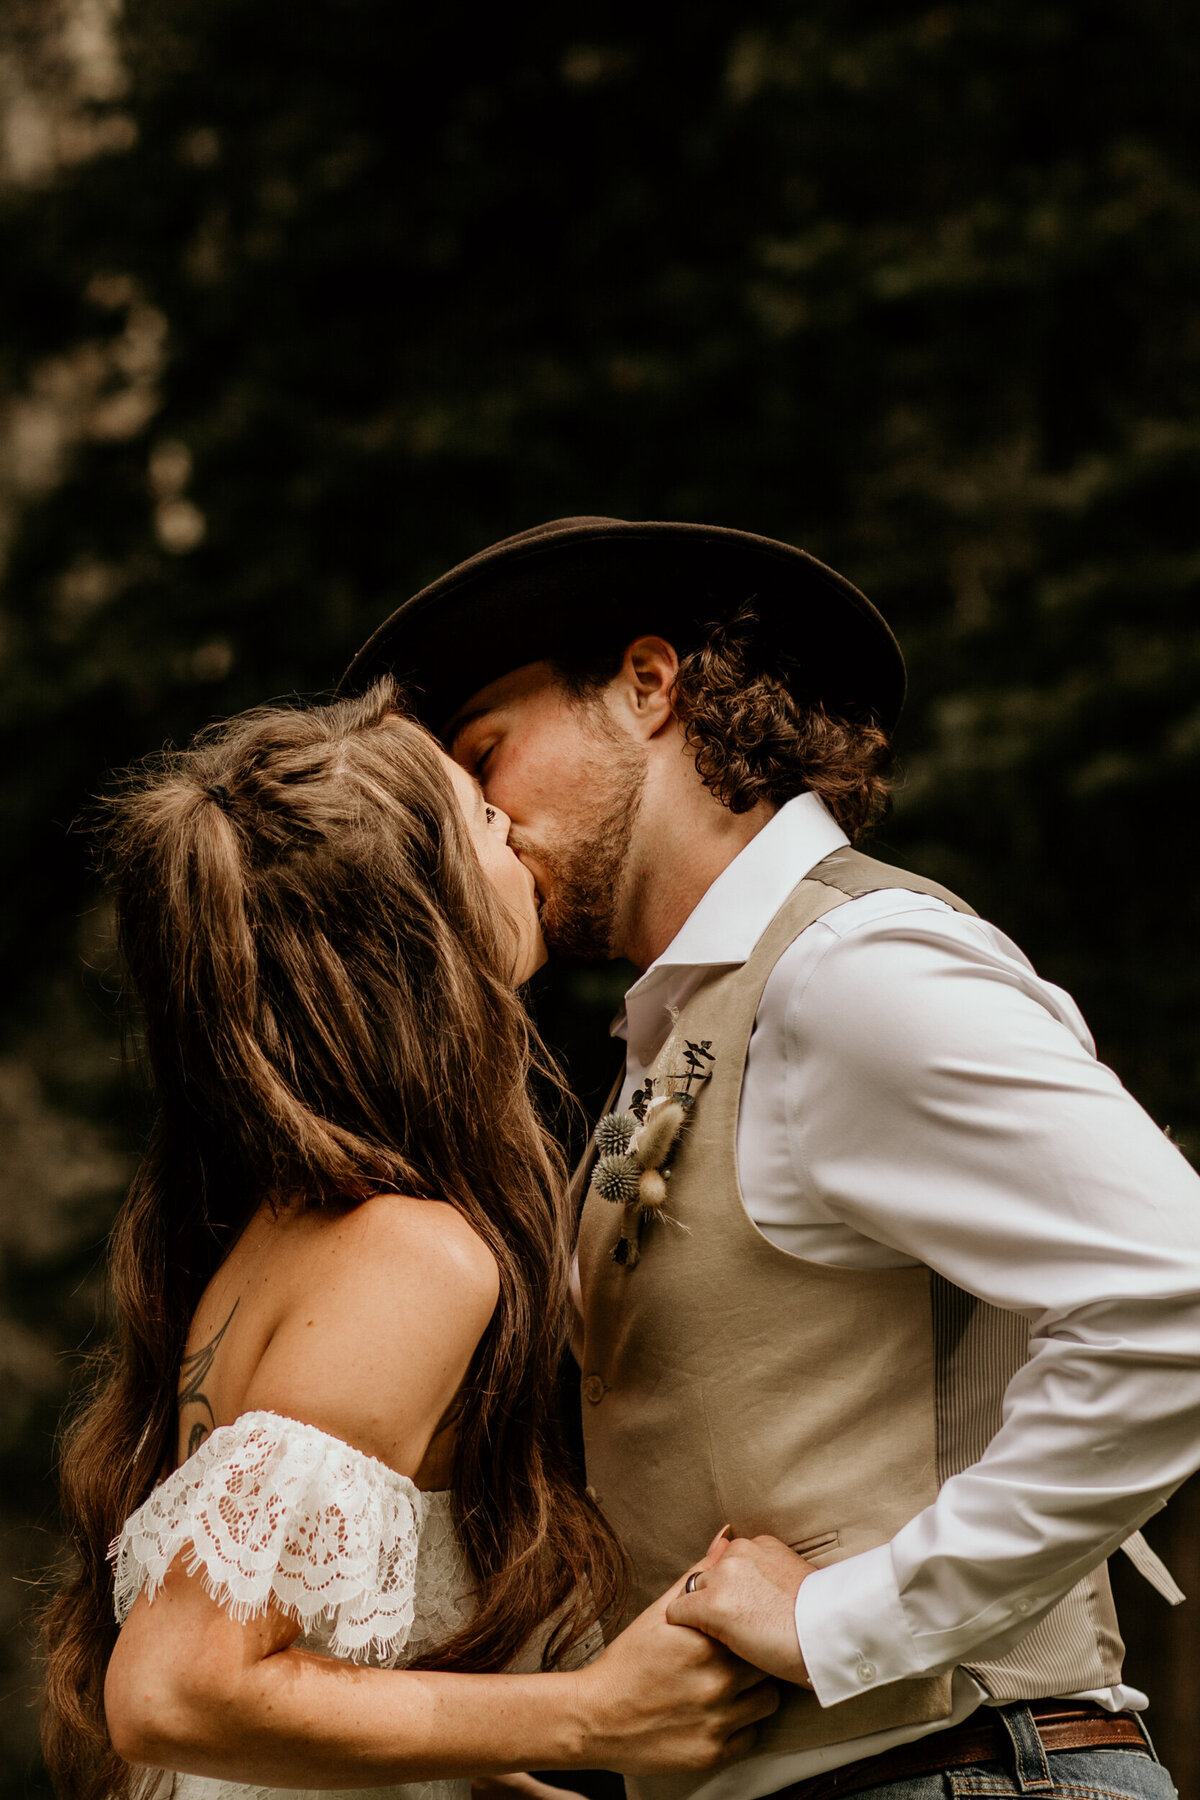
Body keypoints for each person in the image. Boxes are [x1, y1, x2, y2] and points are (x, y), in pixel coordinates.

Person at [340, 515, 1200, 1800]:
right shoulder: (684, 1025)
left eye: (483, 755)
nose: (480, 821)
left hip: (956, 1772)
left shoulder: (848, 970)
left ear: (646, 687)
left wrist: (842, 1624)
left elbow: (1175, 1293)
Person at [41, 679, 778, 1800]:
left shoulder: (286, 1233)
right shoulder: (411, 1256)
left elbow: (314, 1662)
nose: (514, 828)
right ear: (414, 921)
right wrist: (593, 1715)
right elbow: (173, 1691)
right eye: (478, 817)